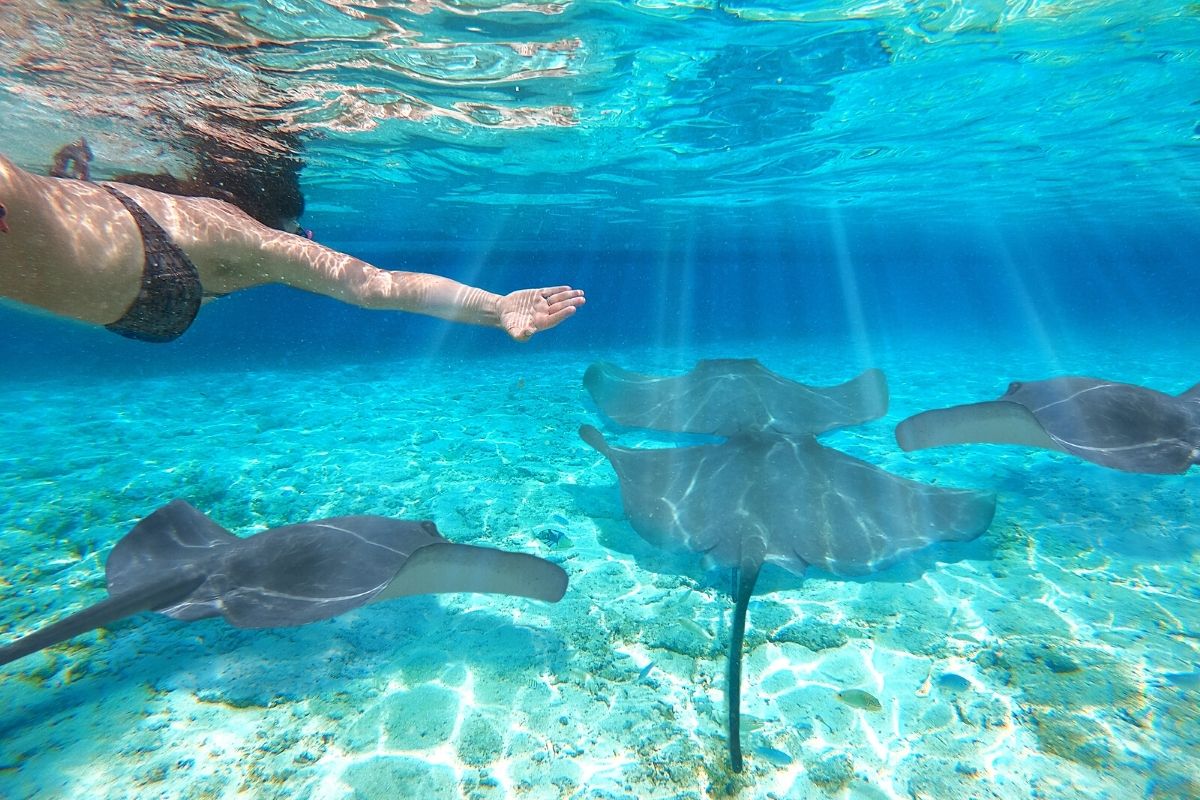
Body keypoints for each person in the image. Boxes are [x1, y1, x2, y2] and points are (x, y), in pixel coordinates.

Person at [0, 153, 584, 343]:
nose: (301, 245)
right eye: (299, 233)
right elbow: (373, 285)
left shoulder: (186, 217)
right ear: (276, 216)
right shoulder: (239, 233)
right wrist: (496, 305)